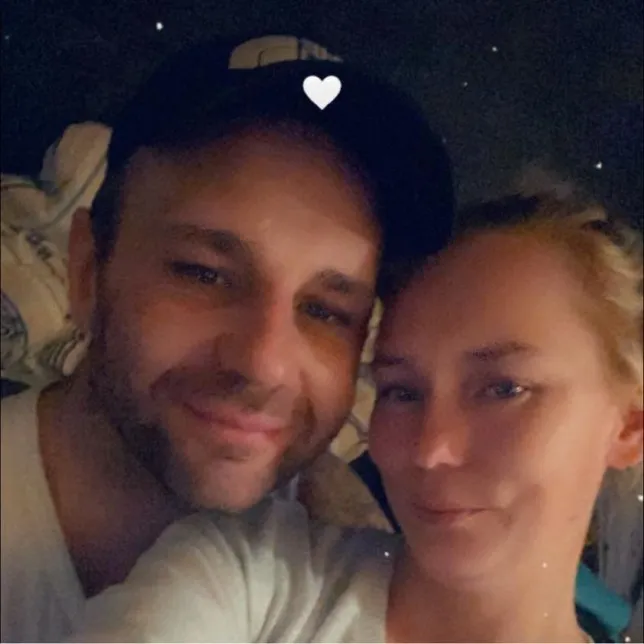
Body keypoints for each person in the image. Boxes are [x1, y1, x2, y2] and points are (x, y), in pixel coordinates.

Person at [0, 34, 454, 643]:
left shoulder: (367, 574)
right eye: (204, 274)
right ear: (87, 272)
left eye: (325, 311)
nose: (264, 364)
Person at [72, 195, 643, 643]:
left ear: (630, 424)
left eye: (503, 389)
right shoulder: (251, 581)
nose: (430, 449)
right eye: (400, 391)